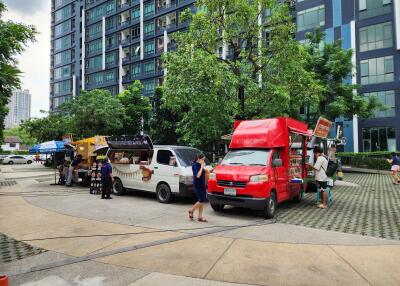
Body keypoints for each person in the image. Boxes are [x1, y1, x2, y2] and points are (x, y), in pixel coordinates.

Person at [188, 154, 208, 222]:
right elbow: (198, 175)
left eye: (204, 159)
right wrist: (202, 167)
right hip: (197, 184)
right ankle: (191, 210)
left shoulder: (201, 165)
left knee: (202, 200)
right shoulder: (194, 165)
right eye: (202, 159)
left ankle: (200, 216)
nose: (203, 161)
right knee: (201, 199)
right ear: (198, 159)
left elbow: (204, 173)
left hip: (202, 184)